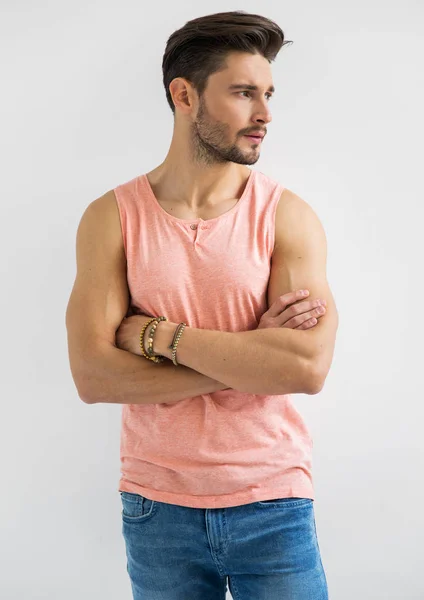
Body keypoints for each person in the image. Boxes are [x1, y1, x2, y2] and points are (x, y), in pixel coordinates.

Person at [66, 10, 338, 600]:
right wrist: (251, 359)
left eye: (267, 94)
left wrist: (157, 338)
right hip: (155, 505)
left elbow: (305, 369)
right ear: (184, 94)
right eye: (244, 93)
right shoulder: (112, 218)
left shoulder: (286, 216)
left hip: (273, 498)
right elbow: (92, 376)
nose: (265, 114)